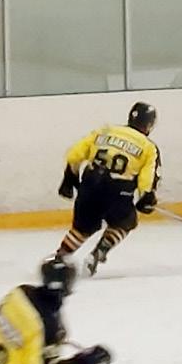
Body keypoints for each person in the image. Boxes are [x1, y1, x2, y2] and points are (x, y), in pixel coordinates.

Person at [56, 102, 160, 275]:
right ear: (149, 124)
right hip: (118, 191)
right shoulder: (148, 147)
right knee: (126, 222)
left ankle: (59, 259)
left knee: (82, 228)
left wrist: (69, 177)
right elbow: (147, 179)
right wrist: (147, 196)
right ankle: (98, 253)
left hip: (90, 184)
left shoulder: (105, 130)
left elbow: (75, 154)